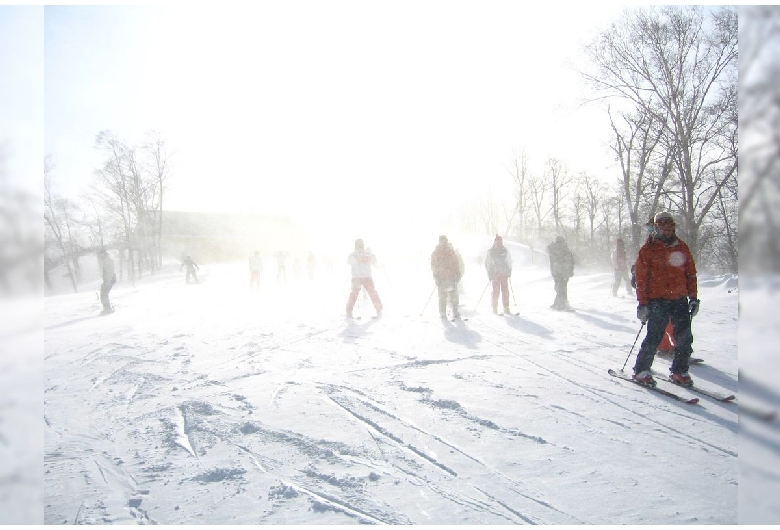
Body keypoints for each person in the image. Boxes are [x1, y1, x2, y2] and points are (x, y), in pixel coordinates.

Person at [632, 211, 700, 387]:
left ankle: (679, 371)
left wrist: (693, 297)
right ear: (656, 228)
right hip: (658, 300)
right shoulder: (647, 250)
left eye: (671, 228)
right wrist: (643, 304)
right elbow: (641, 280)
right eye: (664, 228)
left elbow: (690, 274)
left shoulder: (681, 247)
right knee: (654, 336)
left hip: (679, 299)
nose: (668, 231)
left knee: (684, 337)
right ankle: (641, 370)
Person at [345, 239, 383, 318]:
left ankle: (379, 309)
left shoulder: (367, 254)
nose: (359, 247)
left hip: (365, 277)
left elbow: (374, 260)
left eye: (360, 245)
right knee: (355, 294)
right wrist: (360, 260)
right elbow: (349, 261)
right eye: (358, 245)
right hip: (357, 277)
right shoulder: (353, 254)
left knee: (371, 293)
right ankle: (349, 311)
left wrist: (368, 258)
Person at [431, 235, 463, 319]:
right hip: (441, 277)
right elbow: (433, 265)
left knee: (454, 295)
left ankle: (455, 310)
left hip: (452, 276)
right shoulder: (436, 253)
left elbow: (456, 263)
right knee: (442, 296)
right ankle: (442, 312)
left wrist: (458, 273)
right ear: (439, 242)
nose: (443, 242)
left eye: (445, 241)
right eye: (442, 241)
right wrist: (436, 276)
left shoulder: (451, 252)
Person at [485, 234, 513, 314]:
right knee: (495, 291)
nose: (498, 243)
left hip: (504, 274)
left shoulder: (505, 251)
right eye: (497, 242)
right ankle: (494, 307)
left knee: (505, 291)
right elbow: (488, 264)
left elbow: (509, 261)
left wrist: (509, 271)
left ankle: (506, 307)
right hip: (495, 274)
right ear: (494, 242)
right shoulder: (490, 252)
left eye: (499, 242)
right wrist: (490, 274)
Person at [548, 235, 574, 310]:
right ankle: (562, 304)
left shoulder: (552, 248)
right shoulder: (564, 248)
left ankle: (558, 303)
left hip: (555, 271)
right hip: (563, 271)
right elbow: (570, 260)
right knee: (563, 288)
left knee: (559, 287)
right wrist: (570, 270)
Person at [97, 248, 116, 314]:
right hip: (107, 279)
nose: (100, 256)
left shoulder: (107, 260)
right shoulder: (104, 260)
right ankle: (107, 308)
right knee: (103, 294)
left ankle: (107, 309)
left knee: (104, 294)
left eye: (101, 254)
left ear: (104, 254)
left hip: (109, 279)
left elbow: (110, 271)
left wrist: (108, 280)